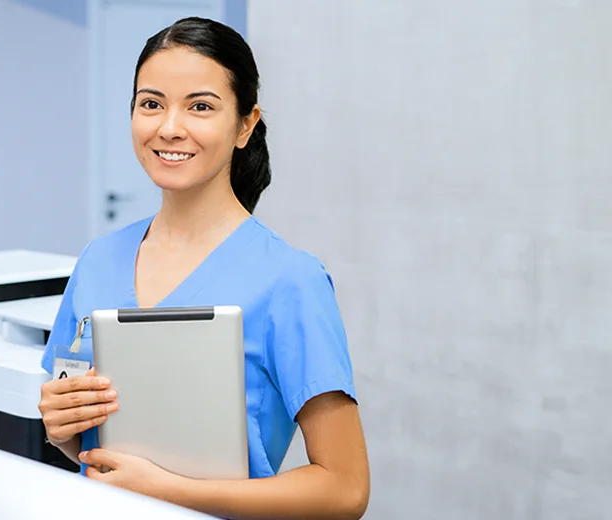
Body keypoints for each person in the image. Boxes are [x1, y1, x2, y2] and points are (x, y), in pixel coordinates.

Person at [36, 16, 369, 520]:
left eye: (200, 107)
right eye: (151, 104)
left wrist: (172, 490)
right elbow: (86, 448)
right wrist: (61, 431)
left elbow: (345, 490)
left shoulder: (290, 280)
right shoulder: (97, 260)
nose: (170, 127)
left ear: (244, 125)